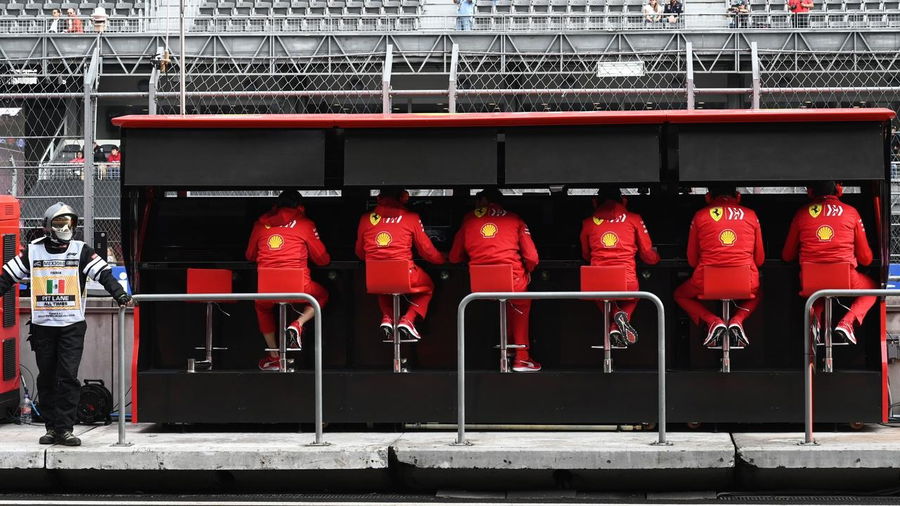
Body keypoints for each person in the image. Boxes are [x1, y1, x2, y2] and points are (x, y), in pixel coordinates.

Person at [0, 203, 130, 446]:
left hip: (72, 326)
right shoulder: (33, 251)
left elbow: (104, 275)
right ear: (48, 226)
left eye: (69, 222)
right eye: (60, 223)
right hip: (42, 326)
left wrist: (120, 294)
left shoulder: (81, 250)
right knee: (47, 378)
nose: (65, 227)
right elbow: (6, 278)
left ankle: (65, 429)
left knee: (68, 376)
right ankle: (51, 428)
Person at [449, 188, 542, 372]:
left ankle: (508, 349)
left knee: (507, 302)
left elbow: (454, 257)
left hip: (480, 287)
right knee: (519, 301)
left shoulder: (468, 220)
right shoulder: (515, 219)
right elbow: (532, 257)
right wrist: (528, 271)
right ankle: (522, 358)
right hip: (512, 281)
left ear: (483, 200)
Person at [782, 181, 875, 344]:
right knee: (872, 287)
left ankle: (816, 322)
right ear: (839, 190)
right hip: (845, 280)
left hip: (810, 282)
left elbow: (787, 256)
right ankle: (847, 323)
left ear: (810, 192)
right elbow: (866, 259)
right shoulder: (851, 212)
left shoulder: (801, 214)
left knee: (820, 292)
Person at [246, 190, 330, 371]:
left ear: (276, 206)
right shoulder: (305, 224)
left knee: (262, 306)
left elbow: (250, 255)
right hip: (299, 289)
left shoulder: (260, 225)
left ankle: (274, 356)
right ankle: (298, 324)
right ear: (300, 207)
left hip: (267, 290)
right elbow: (322, 259)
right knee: (322, 296)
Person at [674, 185, 764, 348]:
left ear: (708, 197)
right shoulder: (751, 215)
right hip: (745, 282)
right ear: (738, 196)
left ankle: (713, 321)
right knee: (757, 294)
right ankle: (738, 320)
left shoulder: (700, 215)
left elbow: (692, 260)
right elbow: (760, 259)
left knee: (680, 295)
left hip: (706, 281)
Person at [355, 188, 445, 341]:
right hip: (404, 275)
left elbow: (359, 252)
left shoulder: (365, 219)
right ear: (403, 198)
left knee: (383, 286)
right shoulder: (411, 218)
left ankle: (387, 318)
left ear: (379, 198)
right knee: (428, 286)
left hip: (375, 277)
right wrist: (442, 259)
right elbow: (426, 251)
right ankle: (408, 320)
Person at [579, 186, 660, 347]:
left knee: (598, 296)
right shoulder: (634, 219)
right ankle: (617, 323)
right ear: (624, 201)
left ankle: (616, 317)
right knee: (634, 297)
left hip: (597, 282)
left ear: (595, 202)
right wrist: (656, 258)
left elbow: (585, 254)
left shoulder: (588, 223)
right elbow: (647, 254)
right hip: (626, 281)